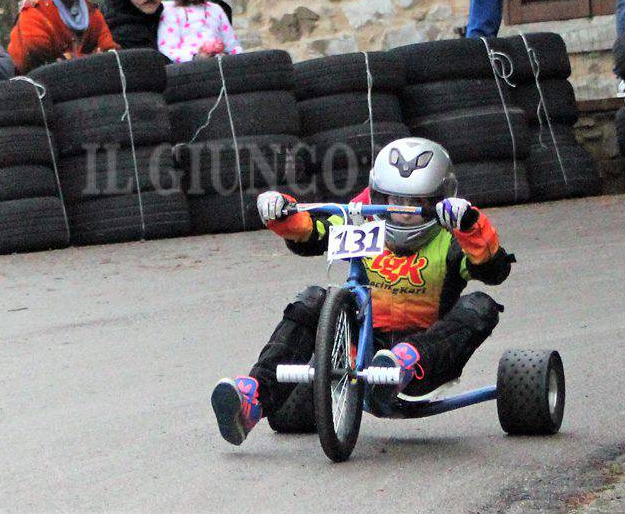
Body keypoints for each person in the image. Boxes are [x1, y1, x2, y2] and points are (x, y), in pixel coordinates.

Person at [210, 137, 514, 446]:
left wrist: (470, 227)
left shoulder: (453, 237)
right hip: (363, 347)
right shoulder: (360, 218)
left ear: (438, 198)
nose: (404, 212)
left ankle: (402, 361)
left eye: (415, 202)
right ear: (378, 194)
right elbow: (314, 230)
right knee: (314, 298)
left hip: (430, 355)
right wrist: (280, 214)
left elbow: (493, 269)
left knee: (481, 305)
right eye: (394, 200)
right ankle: (252, 398)